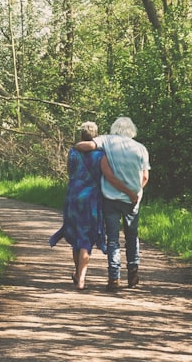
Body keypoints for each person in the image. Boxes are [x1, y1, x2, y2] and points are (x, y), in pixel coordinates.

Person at [49, 122, 134, 290]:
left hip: (73, 196)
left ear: (81, 135)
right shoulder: (101, 155)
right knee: (86, 238)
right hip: (92, 199)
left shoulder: (73, 152)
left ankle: (78, 273)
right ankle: (81, 278)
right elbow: (107, 175)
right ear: (96, 136)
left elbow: (70, 172)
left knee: (76, 237)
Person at [77, 116, 149, 292]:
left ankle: (114, 278)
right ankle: (133, 273)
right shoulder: (141, 148)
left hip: (110, 198)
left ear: (114, 128)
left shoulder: (107, 140)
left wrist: (76, 146)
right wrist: (134, 193)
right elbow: (145, 176)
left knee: (113, 240)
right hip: (133, 200)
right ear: (132, 130)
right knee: (132, 236)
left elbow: (87, 146)